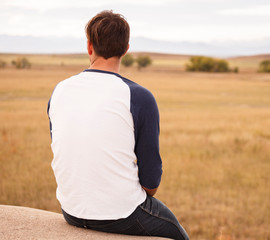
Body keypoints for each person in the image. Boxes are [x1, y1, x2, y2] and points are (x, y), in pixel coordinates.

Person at [47, 10, 189, 240]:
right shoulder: (139, 97)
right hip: (122, 214)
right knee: (179, 235)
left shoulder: (59, 90)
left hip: (71, 211)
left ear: (89, 47)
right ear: (125, 49)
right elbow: (151, 181)